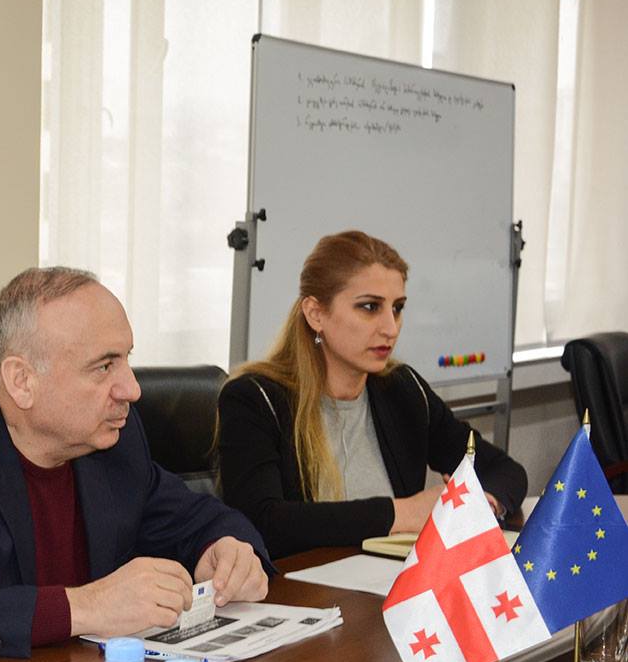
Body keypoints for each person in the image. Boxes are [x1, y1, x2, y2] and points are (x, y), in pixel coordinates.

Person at [0, 267, 272, 662]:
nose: (132, 389)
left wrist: (226, 549)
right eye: (104, 366)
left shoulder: (112, 442)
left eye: (127, 359)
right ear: (21, 381)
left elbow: (195, 518)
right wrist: (85, 607)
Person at [216, 230, 527, 559]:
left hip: (392, 582)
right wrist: (401, 513)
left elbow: (503, 470)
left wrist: (483, 503)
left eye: (397, 308)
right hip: (299, 586)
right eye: (369, 307)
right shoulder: (254, 399)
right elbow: (264, 522)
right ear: (315, 313)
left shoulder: (402, 389)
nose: (390, 328)